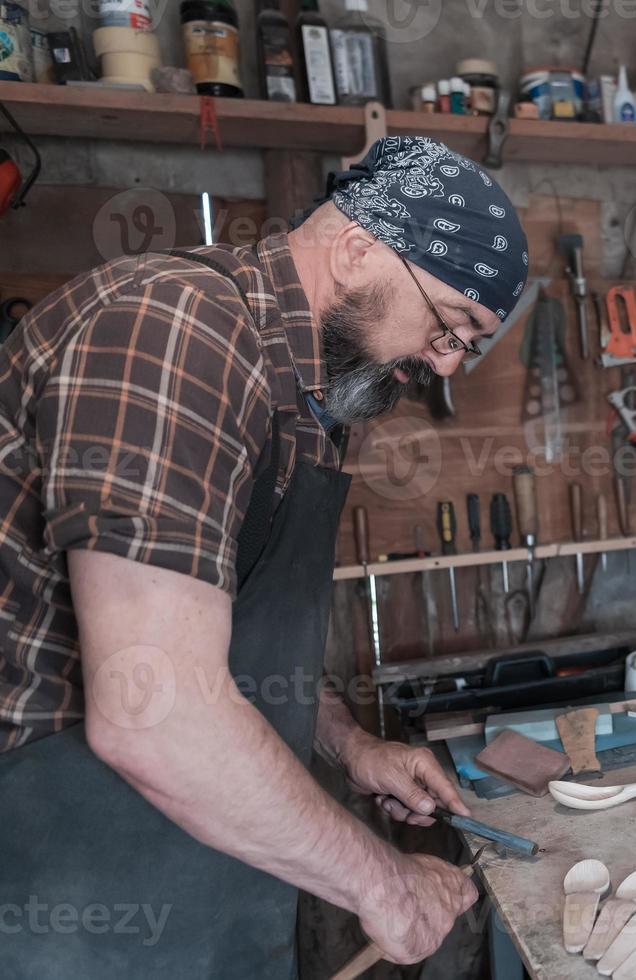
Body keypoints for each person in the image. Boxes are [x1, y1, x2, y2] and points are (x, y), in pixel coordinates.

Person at [0, 136, 529, 978]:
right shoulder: (175, 330)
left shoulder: (315, 394)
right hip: (66, 904)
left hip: (216, 892)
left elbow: (227, 637)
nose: (446, 365)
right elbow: (158, 713)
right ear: (359, 246)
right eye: (449, 325)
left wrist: (348, 744)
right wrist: (386, 886)